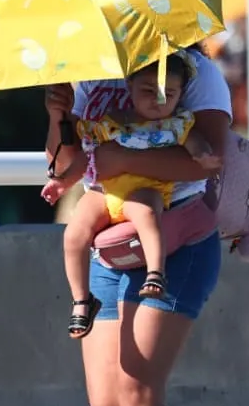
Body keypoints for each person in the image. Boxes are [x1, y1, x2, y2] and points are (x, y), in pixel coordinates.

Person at [42, 44, 249, 406]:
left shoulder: (192, 71)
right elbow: (65, 168)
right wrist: (59, 116)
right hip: (111, 245)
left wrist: (121, 161)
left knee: (138, 389)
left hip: (175, 240)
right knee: (109, 405)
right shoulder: (86, 67)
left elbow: (209, 156)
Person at [41, 53, 218, 339]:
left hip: (148, 188)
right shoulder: (111, 122)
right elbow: (86, 156)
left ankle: (155, 273)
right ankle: (81, 300)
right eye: (148, 91)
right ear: (130, 87)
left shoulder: (178, 122)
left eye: (168, 94)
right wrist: (62, 181)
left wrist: (204, 156)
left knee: (146, 215)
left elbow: (198, 145)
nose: (158, 101)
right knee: (74, 232)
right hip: (107, 191)